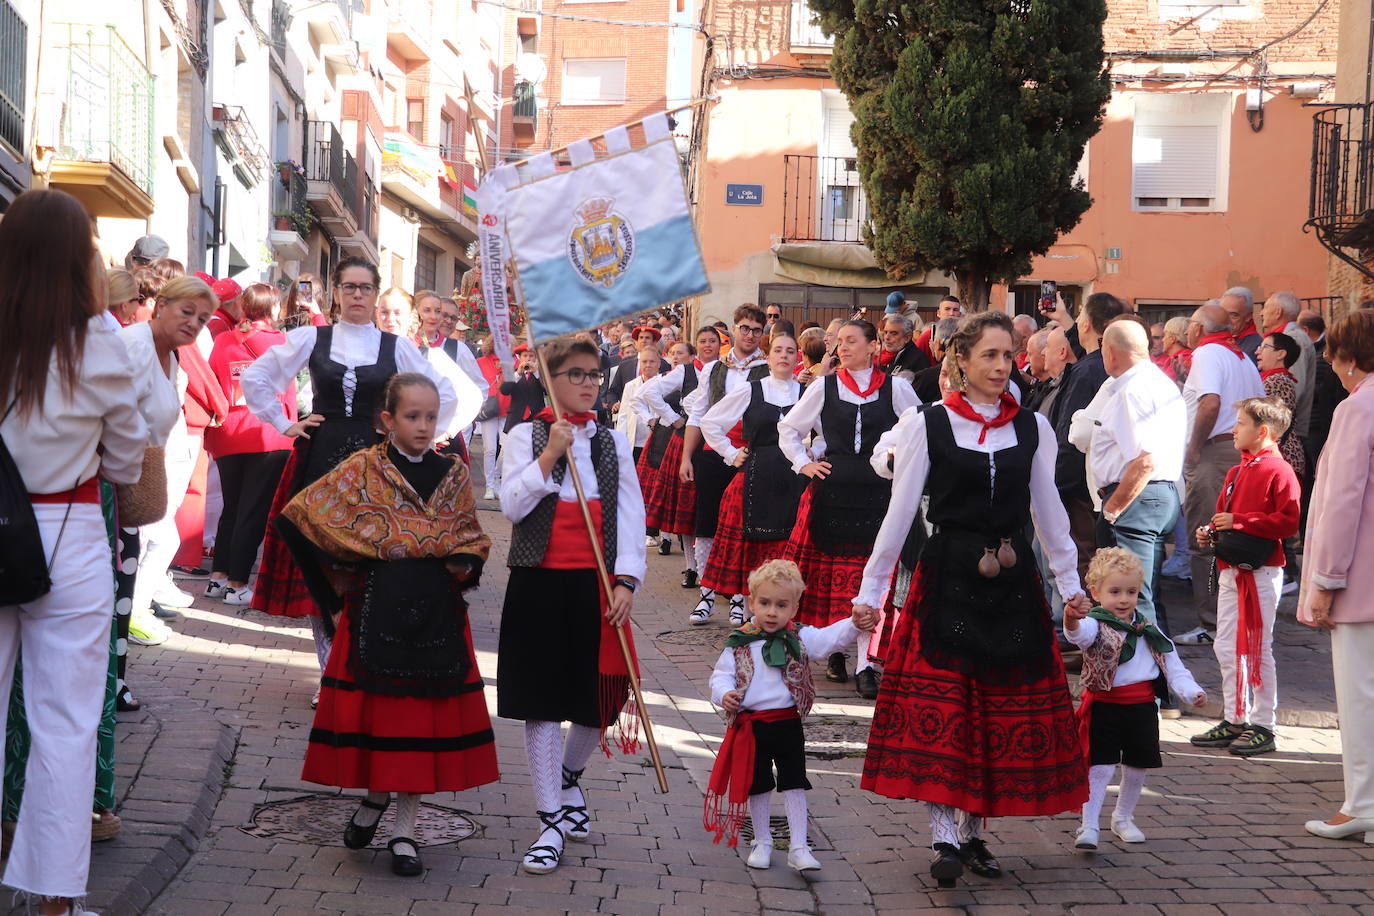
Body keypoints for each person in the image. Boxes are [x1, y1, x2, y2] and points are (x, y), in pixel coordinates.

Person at [853, 310, 1089, 889]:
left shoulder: (1033, 428)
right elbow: (901, 510)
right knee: (948, 707)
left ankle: (973, 832)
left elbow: (1050, 514)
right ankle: (943, 836)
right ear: (959, 360)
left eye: (1008, 355)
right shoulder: (927, 423)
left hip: (1011, 582)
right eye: (989, 355)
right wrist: (872, 592)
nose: (1000, 366)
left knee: (995, 706)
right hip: (947, 575)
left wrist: (1072, 586)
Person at [278, 373, 496, 877]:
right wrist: (332, 597)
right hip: (376, 605)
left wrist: (458, 571)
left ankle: (404, 829)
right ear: (387, 420)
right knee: (385, 722)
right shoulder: (361, 469)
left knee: (421, 725)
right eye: (412, 416)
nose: (423, 426)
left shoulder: (455, 473)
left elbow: (471, 538)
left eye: (430, 416)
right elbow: (300, 519)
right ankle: (375, 799)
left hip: (437, 612)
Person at [0, 189, 149, 916]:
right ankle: (53, 899)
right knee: (66, 722)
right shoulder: (99, 343)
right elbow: (124, 465)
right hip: (67, 538)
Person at [242, 257, 458, 696]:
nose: (357, 295)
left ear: (375, 294)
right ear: (336, 292)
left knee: (368, 567)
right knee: (320, 568)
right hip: (318, 460)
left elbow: (443, 392)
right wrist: (286, 424)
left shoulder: (395, 347)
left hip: (376, 465)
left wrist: (416, 436)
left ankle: (355, 663)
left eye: (365, 288)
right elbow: (257, 377)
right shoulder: (310, 337)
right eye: (349, 287)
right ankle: (330, 672)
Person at [496, 338, 646, 876]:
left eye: (594, 375)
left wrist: (628, 580)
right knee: (541, 702)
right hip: (538, 585)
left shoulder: (611, 442)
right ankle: (550, 821)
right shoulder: (521, 436)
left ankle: (568, 776)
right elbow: (511, 504)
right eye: (576, 374)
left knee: (600, 700)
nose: (588, 384)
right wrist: (549, 455)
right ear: (550, 380)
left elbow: (632, 516)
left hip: (597, 586)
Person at [704, 560, 876, 869]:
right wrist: (724, 695)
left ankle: (799, 846)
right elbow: (720, 676)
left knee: (794, 782)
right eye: (765, 603)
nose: (772, 612)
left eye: (781, 605)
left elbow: (828, 639)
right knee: (758, 784)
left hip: (787, 723)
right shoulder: (740, 642)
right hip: (752, 726)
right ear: (752, 601)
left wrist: (852, 623)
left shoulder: (799, 638)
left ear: (794, 607)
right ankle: (762, 840)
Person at [779, 318, 919, 696]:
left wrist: (898, 464)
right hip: (832, 490)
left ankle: (867, 663)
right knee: (829, 579)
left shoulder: (897, 388)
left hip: (879, 493)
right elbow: (788, 429)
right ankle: (835, 651)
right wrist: (804, 463)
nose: (842, 347)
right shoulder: (825, 386)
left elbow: (920, 429)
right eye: (839, 341)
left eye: (851, 341)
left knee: (870, 579)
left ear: (873, 346)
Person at [1066, 548, 1205, 851]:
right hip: (1105, 705)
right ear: (1096, 592)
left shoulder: (1148, 630)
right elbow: (1079, 635)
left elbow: (1172, 664)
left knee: (1137, 766)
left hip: (1142, 708)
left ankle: (1123, 817)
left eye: (1131, 591)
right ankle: (1088, 825)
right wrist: (1072, 620)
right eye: (1115, 591)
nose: (1124, 599)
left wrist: (1191, 691)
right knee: (1100, 767)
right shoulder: (1096, 624)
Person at [1187, 396, 1300, 758]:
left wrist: (1240, 522)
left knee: (1256, 647)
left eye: (1240, 423)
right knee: (1226, 645)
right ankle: (1235, 717)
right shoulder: (1238, 471)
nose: (1233, 429)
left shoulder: (1279, 470)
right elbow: (1223, 512)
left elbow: (1288, 521)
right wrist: (1210, 531)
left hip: (1263, 570)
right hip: (1231, 570)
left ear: (1262, 431)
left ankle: (1264, 724)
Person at [1299, 310, 1374, 843]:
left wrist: (1326, 577)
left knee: (1360, 693)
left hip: (1360, 576)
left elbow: (1342, 500)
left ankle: (1364, 802)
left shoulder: (1358, 408)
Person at [118, 276, 223, 647]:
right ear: (161, 304)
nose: (194, 323)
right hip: (110, 482)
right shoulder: (134, 345)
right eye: (187, 311)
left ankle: (115, 680)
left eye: (204, 318)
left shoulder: (171, 354)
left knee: (132, 568)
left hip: (134, 477)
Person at [1082, 320, 1186, 638]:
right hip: (1153, 495)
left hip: (1138, 498)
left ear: (1110, 352)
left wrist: (1112, 508)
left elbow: (1144, 460)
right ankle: (1158, 673)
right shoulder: (1154, 381)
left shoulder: (1135, 388)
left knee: (1132, 597)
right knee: (1143, 592)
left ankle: (1148, 676)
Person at [1176, 303, 1265, 646]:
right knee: (1235, 537)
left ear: (1198, 328)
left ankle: (1213, 624)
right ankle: (1235, 620)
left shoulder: (1208, 352)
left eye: (1189, 327)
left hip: (1215, 452)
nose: (1186, 333)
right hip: (1241, 451)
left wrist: (1195, 446)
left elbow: (1210, 402)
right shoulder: (1241, 357)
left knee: (1207, 537)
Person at [699, 334, 807, 614]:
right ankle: (747, 613)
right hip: (754, 477)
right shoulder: (751, 390)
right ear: (768, 357)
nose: (784, 356)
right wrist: (731, 453)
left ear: (798, 358)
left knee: (788, 551)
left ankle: (785, 618)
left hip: (794, 479)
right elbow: (710, 422)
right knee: (749, 551)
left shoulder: (808, 393)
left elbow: (825, 434)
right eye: (778, 351)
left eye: (790, 351)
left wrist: (812, 452)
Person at [203, 284, 295, 606]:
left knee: (232, 508)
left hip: (229, 433)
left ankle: (218, 577)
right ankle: (238, 583)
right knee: (253, 511)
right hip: (268, 435)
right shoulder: (281, 343)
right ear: (273, 310)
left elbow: (213, 381)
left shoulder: (224, 340)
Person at [679, 307, 771, 623]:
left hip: (750, 456)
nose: (750, 334)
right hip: (712, 453)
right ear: (734, 329)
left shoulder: (768, 370)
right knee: (706, 525)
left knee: (742, 528)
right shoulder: (714, 368)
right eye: (745, 328)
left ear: (762, 334)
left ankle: (737, 598)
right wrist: (686, 457)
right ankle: (705, 596)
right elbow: (698, 414)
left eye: (756, 330)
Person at [1051, 293, 1126, 581]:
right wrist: (1065, 318)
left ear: (1087, 325)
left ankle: (1081, 622)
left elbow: (1072, 436)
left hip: (1080, 486)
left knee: (1082, 558)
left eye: (1081, 319)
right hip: (1093, 484)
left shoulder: (1088, 371)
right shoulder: (1101, 364)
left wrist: (1057, 485)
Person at [642, 328, 719, 588]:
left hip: (717, 444)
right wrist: (674, 418)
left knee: (711, 510)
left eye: (713, 341)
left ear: (721, 345)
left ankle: (712, 568)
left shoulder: (727, 372)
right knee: (687, 510)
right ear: (697, 346)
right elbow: (648, 393)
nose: (708, 345)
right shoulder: (686, 371)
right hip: (686, 442)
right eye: (703, 341)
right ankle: (691, 567)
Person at [374, 288, 484, 451]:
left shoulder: (429, 355)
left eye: (398, 313)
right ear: (376, 314)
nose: (390, 319)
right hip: (369, 445)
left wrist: (441, 430)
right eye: (384, 312)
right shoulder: (364, 351)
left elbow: (472, 396)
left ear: (411, 318)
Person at [1260, 291, 1316, 453]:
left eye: (1266, 307)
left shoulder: (1294, 339)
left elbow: (1294, 387)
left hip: (1287, 435)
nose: (1261, 312)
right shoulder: (1290, 337)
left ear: (1278, 312)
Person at [1256, 333, 1307, 478]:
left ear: (1281, 354)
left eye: (1264, 347)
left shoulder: (1277, 381)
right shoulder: (1275, 379)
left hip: (1281, 457)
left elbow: (1271, 422)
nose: (1257, 351)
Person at [475, 336, 510, 499]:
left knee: (507, 447)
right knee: (489, 449)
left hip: (508, 408)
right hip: (489, 408)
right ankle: (489, 486)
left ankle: (496, 478)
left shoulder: (511, 362)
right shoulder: (481, 361)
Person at [501, 344, 546, 432]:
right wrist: (517, 374)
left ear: (535, 358)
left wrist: (536, 373)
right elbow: (504, 390)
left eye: (531, 356)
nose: (528, 359)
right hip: (516, 417)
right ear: (520, 358)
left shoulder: (542, 374)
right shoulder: (512, 373)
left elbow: (548, 391)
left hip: (537, 418)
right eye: (525, 356)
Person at [876, 313, 929, 380]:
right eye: (886, 332)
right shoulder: (882, 357)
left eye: (894, 333)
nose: (887, 337)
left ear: (907, 338)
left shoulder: (918, 360)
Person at [914, 295, 963, 363]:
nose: (951, 313)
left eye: (955, 310)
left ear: (960, 314)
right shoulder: (928, 336)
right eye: (947, 309)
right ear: (938, 313)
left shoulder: (965, 337)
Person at [1220, 287, 1261, 362]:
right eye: (1223, 313)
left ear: (1248, 316)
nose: (1227, 320)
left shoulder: (1255, 347)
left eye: (1233, 315)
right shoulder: (1216, 337)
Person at [1155, 316, 1192, 387]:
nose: (1163, 340)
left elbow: (1162, 387)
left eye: (1164, 335)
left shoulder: (1181, 361)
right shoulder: (1181, 358)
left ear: (1172, 339)